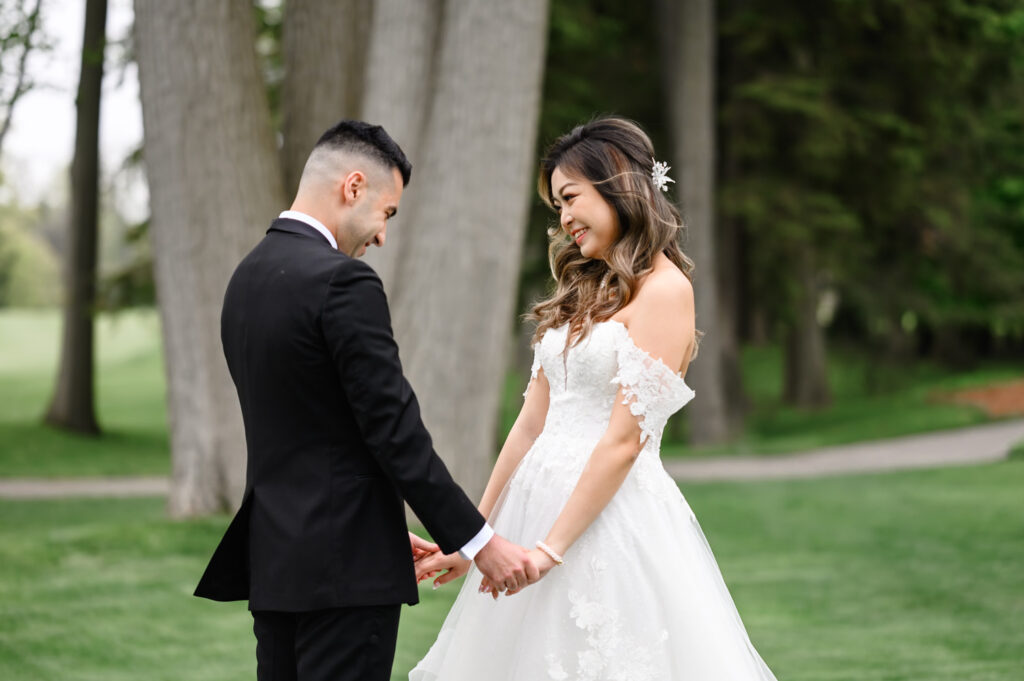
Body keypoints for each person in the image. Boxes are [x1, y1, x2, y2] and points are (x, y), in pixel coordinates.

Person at [410, 117, 778, 680]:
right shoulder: (583, 288)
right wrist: (474, 535)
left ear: (618, 186)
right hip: (530, 510)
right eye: (556, 205)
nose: (563, 219)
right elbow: (529, 425)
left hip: (608, 525)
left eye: (570, 198)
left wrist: (548, 552)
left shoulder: (666, 291)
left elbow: (623, 442)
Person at [192, 119, 539, 681]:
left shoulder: (247, 278)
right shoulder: (342, 283)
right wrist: (480, 542)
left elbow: (305, 430)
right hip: (344, 578)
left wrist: (373, 522)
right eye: (387, 213)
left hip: (278, 563)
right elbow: (395, 432)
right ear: (353, 187)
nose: (382, 236)